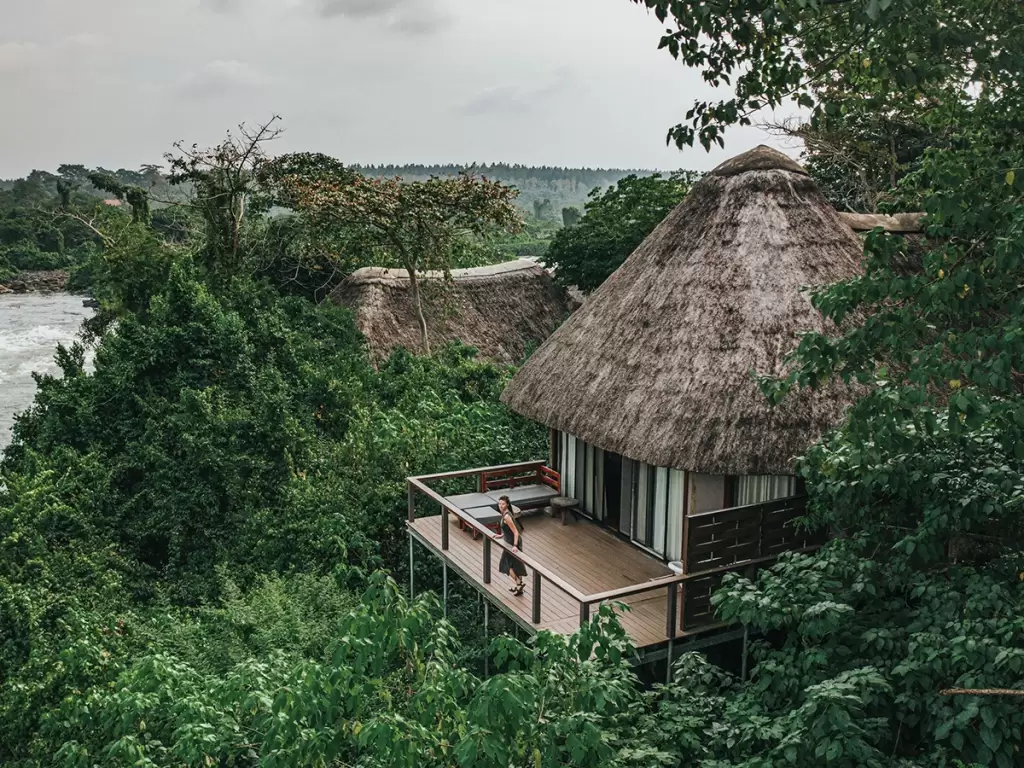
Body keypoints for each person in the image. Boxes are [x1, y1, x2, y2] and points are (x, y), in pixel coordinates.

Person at [494, 495, 526, 595]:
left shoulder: (507, 516)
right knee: (516, 564)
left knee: (505, 564)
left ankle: (519, 582)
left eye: (503, 504)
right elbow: (508, 529)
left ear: (507, 504)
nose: (500, 506)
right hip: (509, 540)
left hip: (513, 542)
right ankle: (518, 587)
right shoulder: (505, 514)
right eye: (499, 504)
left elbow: (516, 532)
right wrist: (501, 535)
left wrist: (515, 545)